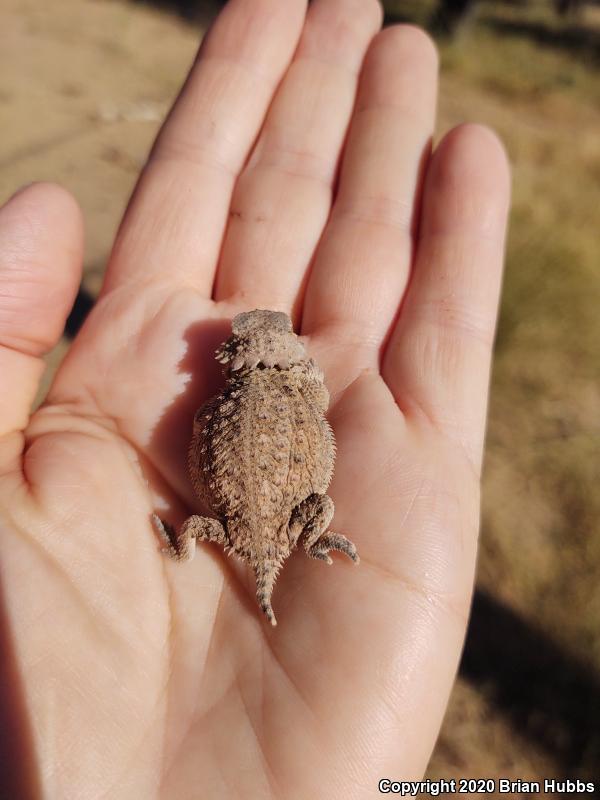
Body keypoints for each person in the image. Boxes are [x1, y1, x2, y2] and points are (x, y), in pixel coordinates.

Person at [0, 0, 509, 796]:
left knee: (215, 525)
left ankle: (266, 550)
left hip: (239, 512)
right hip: (275, 514)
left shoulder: (246, 408)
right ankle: (313, 545)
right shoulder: (300, 383)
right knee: (280, 520)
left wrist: (177, 537)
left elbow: (213, 479)